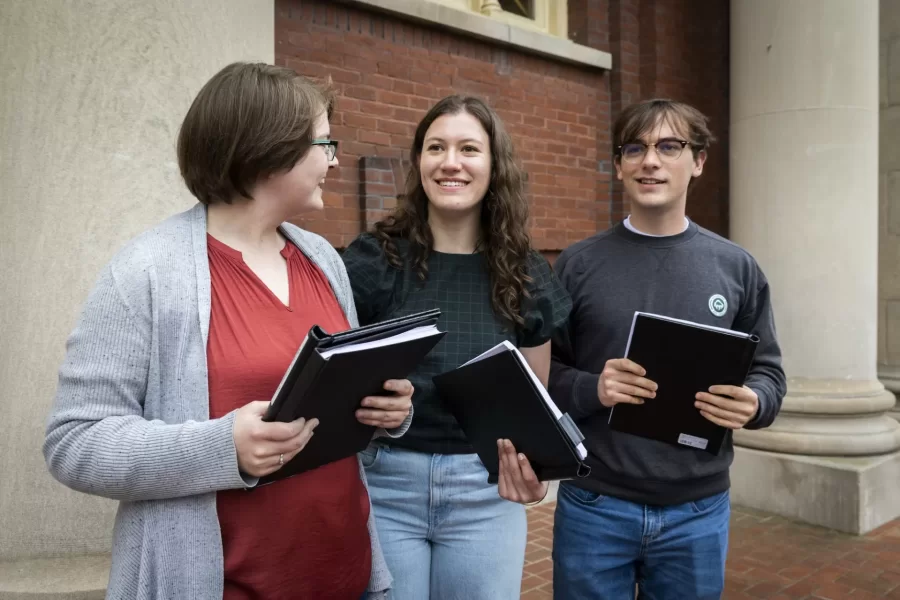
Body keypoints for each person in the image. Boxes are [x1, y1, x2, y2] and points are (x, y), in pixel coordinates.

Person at [43, 62, 415, 600]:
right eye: (322, 142)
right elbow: (73, 443)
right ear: (269, 151)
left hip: (345, 574)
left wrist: (383, 414)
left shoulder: (322, 261)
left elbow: (335, 413)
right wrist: (221, 448)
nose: (332, 158)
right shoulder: (146, 271)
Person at [546, 99, 787, 599]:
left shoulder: (736, 268)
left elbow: (768, 373)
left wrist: (756, 401)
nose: (650, 161)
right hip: (595, 503)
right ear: (618, 165)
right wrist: (596, 387)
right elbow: (544, 375)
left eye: (669, 146)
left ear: (698, 161)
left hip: (696, 510)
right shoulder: (577, 264)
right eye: (634, 148)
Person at [340, 94, 572, 600]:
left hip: (485, 492)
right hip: (385, 483)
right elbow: (337, 380)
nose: (450, 163)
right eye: (435, 147)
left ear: (494, 166)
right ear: (419, 161)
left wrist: (535, 475)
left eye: (469, 149)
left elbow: (531, 402)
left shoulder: (526, 273)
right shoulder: (373, 260)